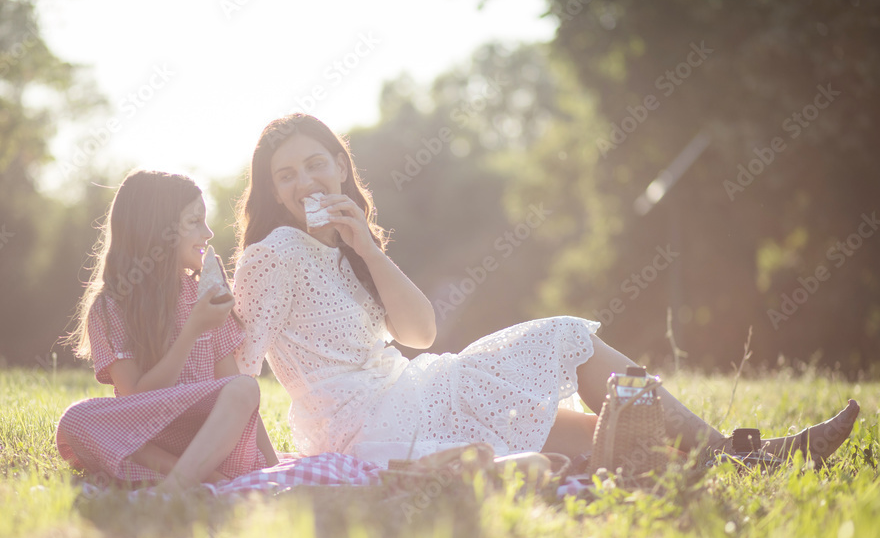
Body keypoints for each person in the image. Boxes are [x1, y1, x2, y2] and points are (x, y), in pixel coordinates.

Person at [231, 113, 860, 469]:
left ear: (341, 165)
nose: (303, 182)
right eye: (285, 175)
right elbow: (238, 371)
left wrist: (366, 245)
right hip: (364, 425)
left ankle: (742, 454)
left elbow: (420, 335)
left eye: (315, 164)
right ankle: (752, 455)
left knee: (607, 438)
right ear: (272, 192)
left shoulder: (348, 249)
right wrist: (258, 464)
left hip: (419, 387)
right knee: (567, 339)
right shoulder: (271, 256)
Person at [56, 169, 278, 493]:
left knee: (244, 388)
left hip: (211, 437)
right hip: (149, 441)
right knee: (75, 420)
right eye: (194, 222)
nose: (209, 232)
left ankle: (174, 487)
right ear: (156, 230)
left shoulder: (207, 296)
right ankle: (195, 480)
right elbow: (136, 398)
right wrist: (192, 331)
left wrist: (274, 468)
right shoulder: (111, 307)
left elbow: (233, 386)